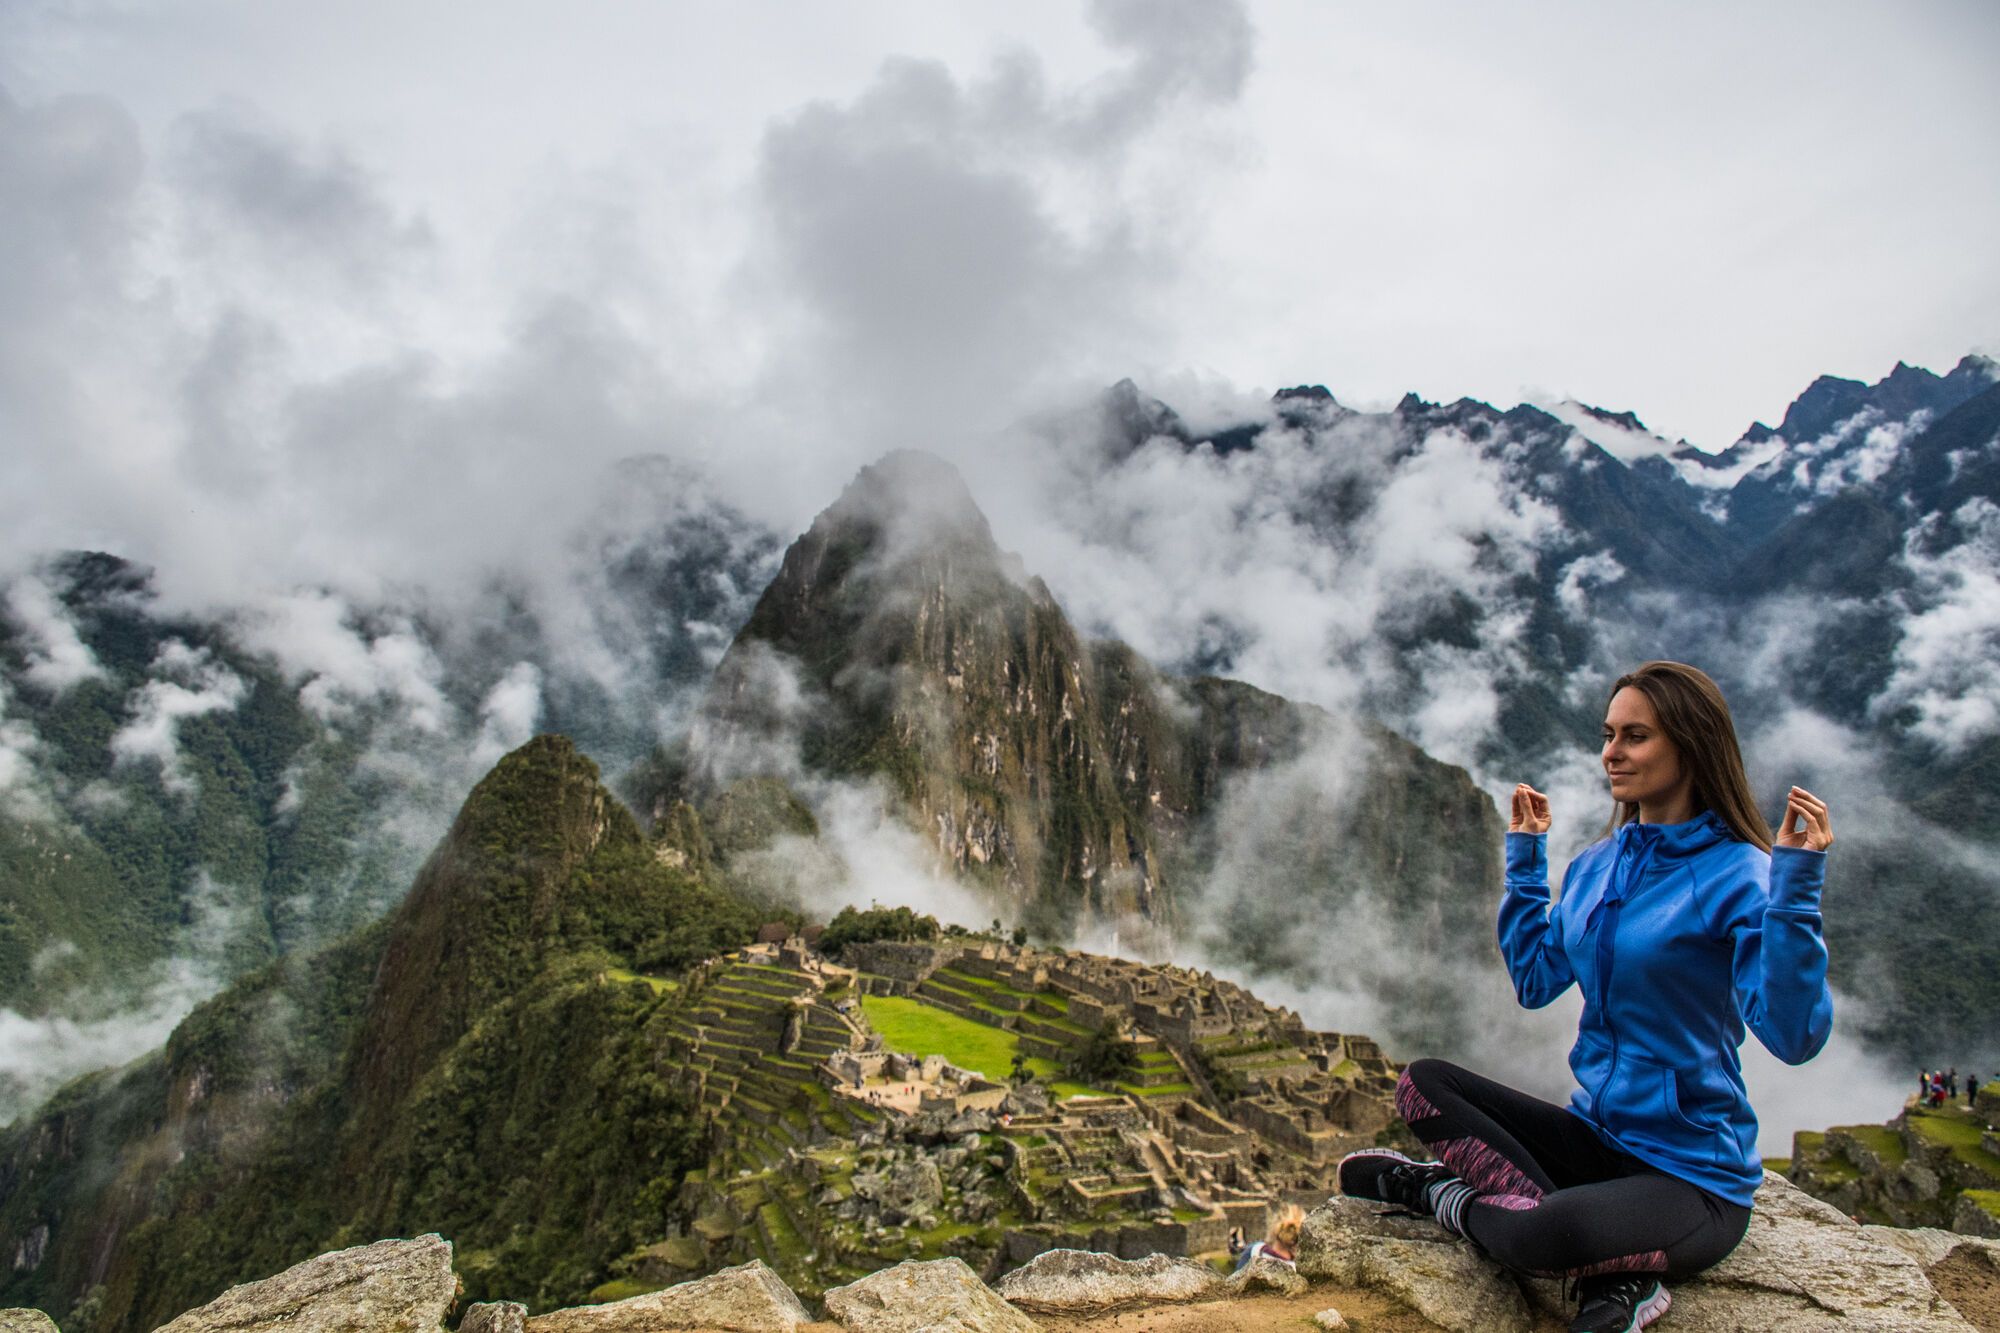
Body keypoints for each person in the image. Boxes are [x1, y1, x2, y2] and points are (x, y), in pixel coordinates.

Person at [1337, 662, 1834, 1333]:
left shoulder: (1741, 876)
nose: (1612, 752)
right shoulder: (1599, 864)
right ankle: (1611, 1264)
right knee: (1422, 1084)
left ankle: (1438, 1195)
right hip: (1596, 1139)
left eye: (1636, 736)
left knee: (1546, 1237)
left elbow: (1793, 1034)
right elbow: (1538, 979)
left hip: (1692, 1177)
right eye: (1608, 734)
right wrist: (1526, 860)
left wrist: (1795, 893)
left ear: (1690, 744)